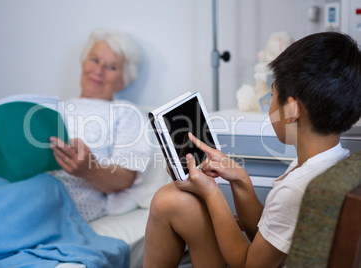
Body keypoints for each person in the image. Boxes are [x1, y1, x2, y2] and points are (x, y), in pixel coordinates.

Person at [143, 32, 361, 267]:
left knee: (166, 200)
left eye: (272, 96)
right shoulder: (329, 165)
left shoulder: (295, 190)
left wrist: (212, 193)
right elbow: (268, 232)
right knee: (175, 200)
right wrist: (240, 180)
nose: (269, 104)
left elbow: (247, 264)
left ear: (291, 110)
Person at [0, 28, 151, 222]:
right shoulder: (52, 108)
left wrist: (89, 169)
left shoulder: (126, 113)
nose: (98, 71)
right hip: (10, 181)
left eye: (111, 67)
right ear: (84, 62)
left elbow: (126, 179)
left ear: (125, 80)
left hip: (58, 194)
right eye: (94, 60)